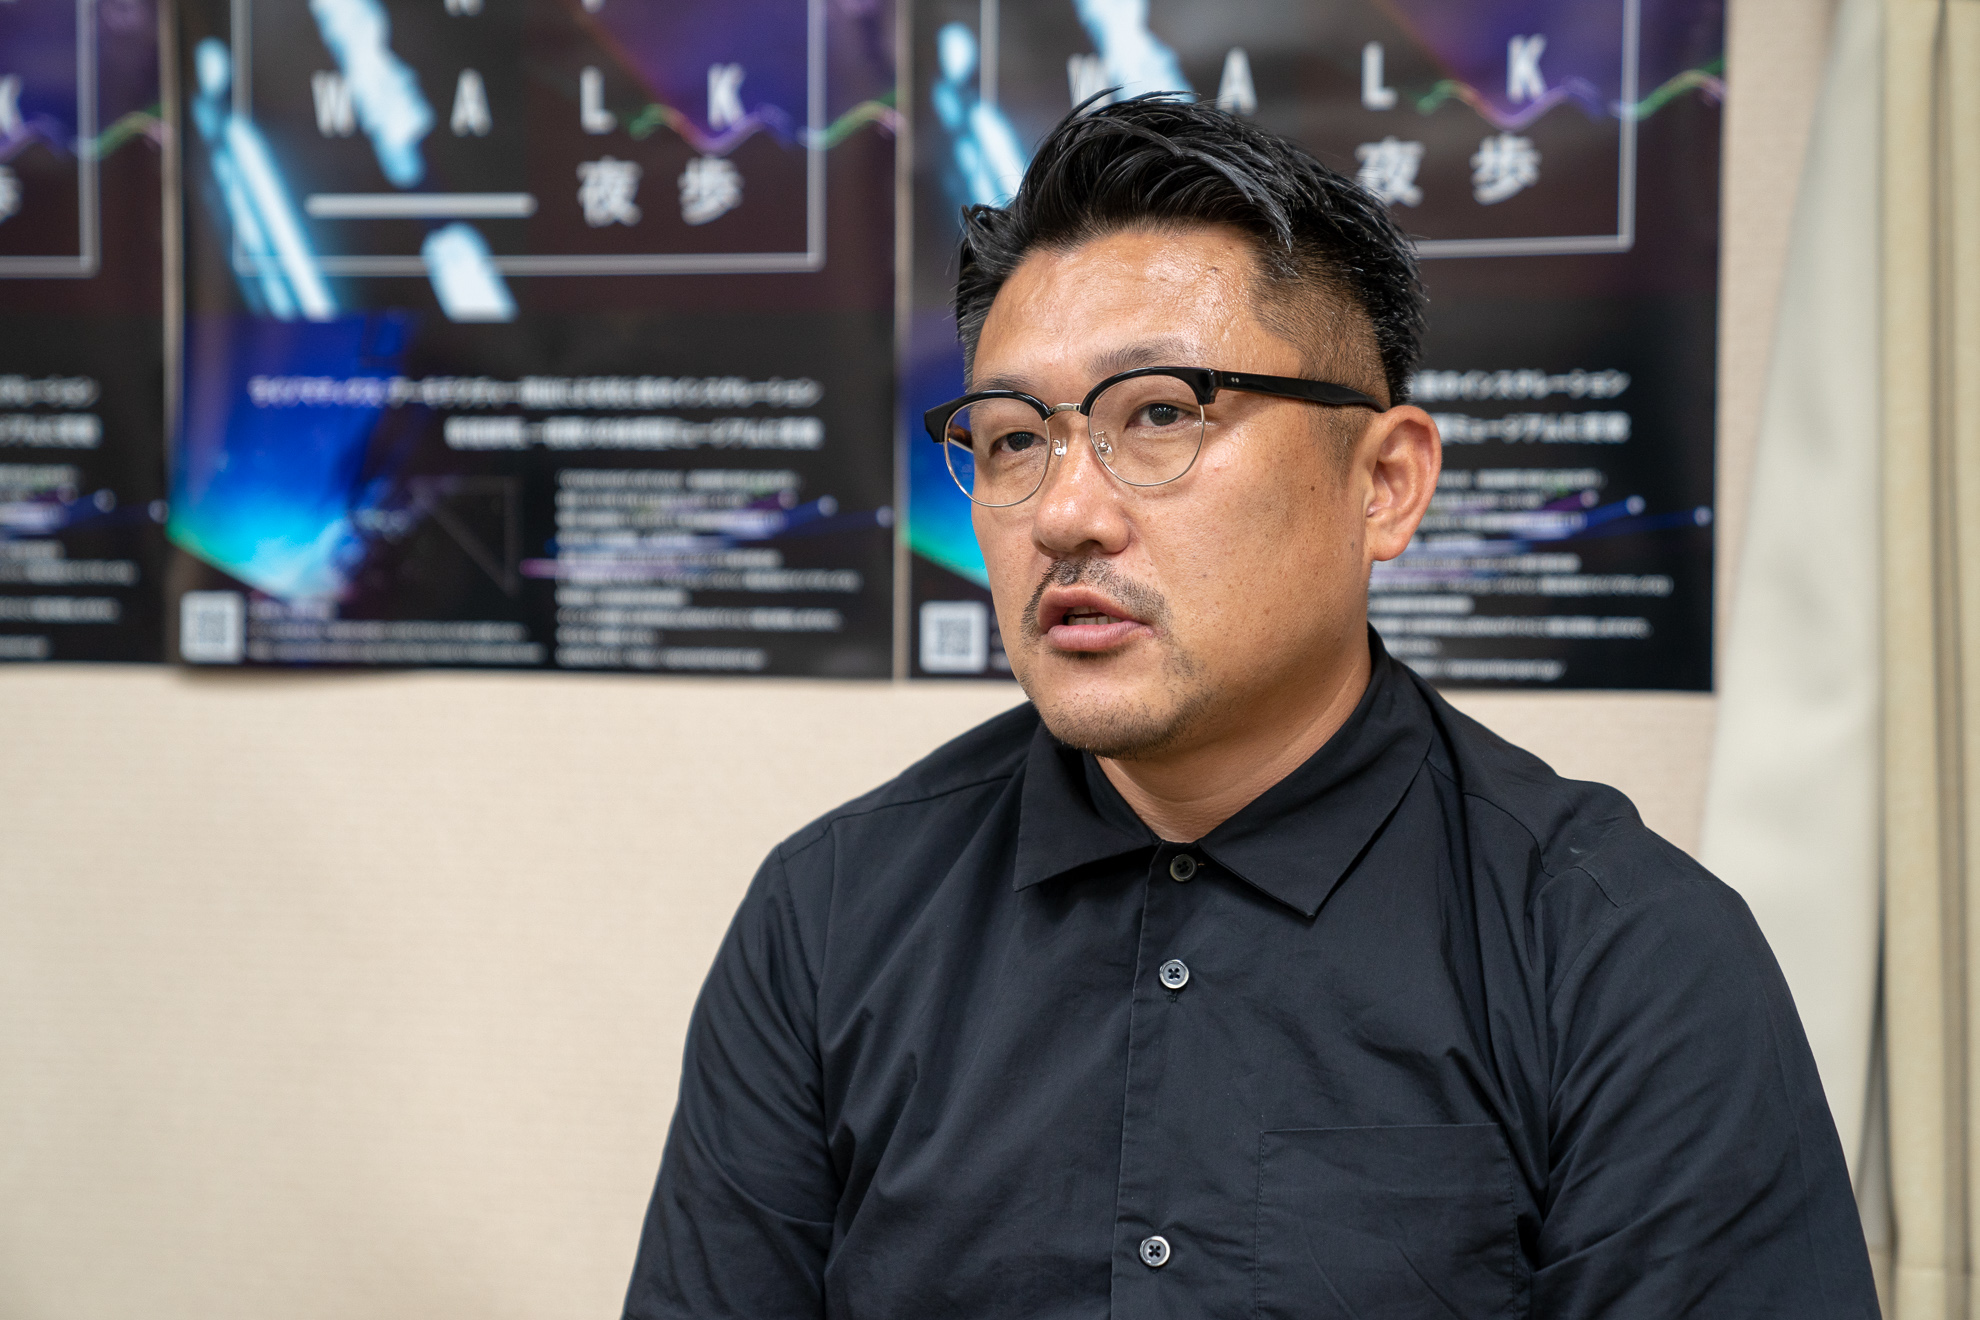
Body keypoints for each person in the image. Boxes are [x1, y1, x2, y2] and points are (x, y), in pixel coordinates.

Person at [624, 96, 1879, 1319]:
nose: (1063, 512)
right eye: (1012, 438)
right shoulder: (830, 917)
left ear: (1385, 483)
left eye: (1159, 414)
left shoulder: (1621, 954)